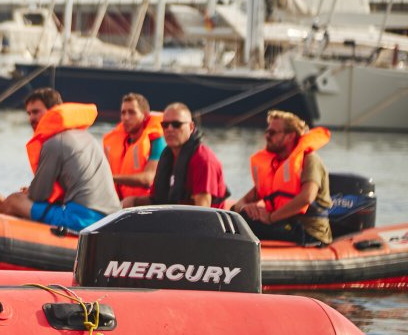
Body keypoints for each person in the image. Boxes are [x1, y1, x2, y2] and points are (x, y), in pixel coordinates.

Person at [0, 87, 120, 231]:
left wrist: (28, 193)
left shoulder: (54, 143)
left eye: (36, 112)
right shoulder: (85, 137)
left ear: (54, 110)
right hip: (111, 218)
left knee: (14, 201)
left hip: (82, 219)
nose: (31, 118)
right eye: (29, 113)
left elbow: (39, 195)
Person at [232, 110, 332, 245]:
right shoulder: (276, 165)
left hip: (308, 232)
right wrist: (246, 208)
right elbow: (242, 201)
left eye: (272, 133)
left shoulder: (309, 160)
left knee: (243, 225)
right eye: (267, 132)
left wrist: (271, 218)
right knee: (237, 216)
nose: (267, 136)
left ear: (290, 136)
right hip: (283, 224)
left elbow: (306, 197)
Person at [124, 102, 228, 208]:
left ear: (191, 127)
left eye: (176, 125)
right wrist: (133, 201)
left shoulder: (203, 160)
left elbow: (203, 211)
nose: (169, 129)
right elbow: (156, 199)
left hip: (201, 222)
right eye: (165, 125)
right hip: (174, 218)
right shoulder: (167, 156)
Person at [101, 92, 165, 200]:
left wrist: (109, 178)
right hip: (119, 205)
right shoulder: (114, 141)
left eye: (131, 113)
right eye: (123, 113)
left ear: (145, 116)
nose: (126, 117)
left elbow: (148, 179)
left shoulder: (157, 141)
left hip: (145, 205)